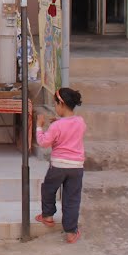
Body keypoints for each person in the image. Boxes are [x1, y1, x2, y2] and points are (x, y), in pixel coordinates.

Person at [34, 87, 86, 243]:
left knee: (48, 189)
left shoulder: (56, 126)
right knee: (72, 199)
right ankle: (71, 233)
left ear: (61, 104)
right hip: (76, 167)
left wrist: (39, 126)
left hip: (58, 166)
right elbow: (71, 129)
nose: (55, 107)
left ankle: (48, 216)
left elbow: (43, 142)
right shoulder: (81, 122)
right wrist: (60, 122)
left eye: (55, 104)